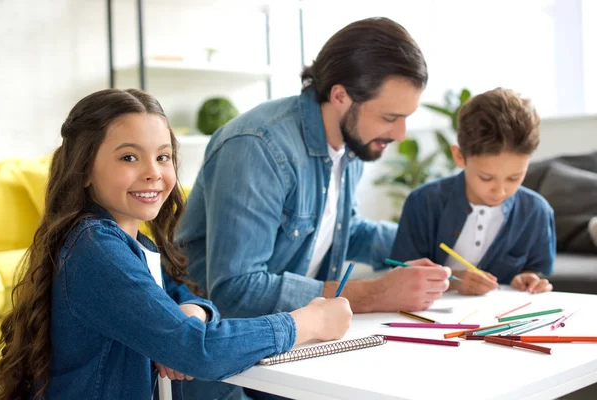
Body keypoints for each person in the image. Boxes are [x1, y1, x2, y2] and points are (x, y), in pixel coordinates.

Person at [0, 89, 352, 400]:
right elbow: (200, 352)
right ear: (84, 170)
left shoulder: (135, 243)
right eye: (129, 157)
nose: (153, 171)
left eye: (163, 156)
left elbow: (184, 297)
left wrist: (191, 316)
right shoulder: (97, 248)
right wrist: (308, 321)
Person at [177, 18, 451, 324]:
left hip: (296, 336)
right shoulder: (258, 147)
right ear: (339, 97)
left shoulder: (352, 143)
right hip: (220, 351)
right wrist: (375, 293)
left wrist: (439, 249)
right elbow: (236, 292)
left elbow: (342, 230)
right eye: (390, 117)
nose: (400, 134)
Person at [390, 88, 556, 296]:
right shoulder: (423, 202)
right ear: (459, 157)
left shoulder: (536, 211)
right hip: (431, 317)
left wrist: (529, 279)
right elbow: (401, 273)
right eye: (486, 178)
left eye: (514, 178)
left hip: (504, 321)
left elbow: (538, 271)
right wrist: (454, 280)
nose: (500, 190)